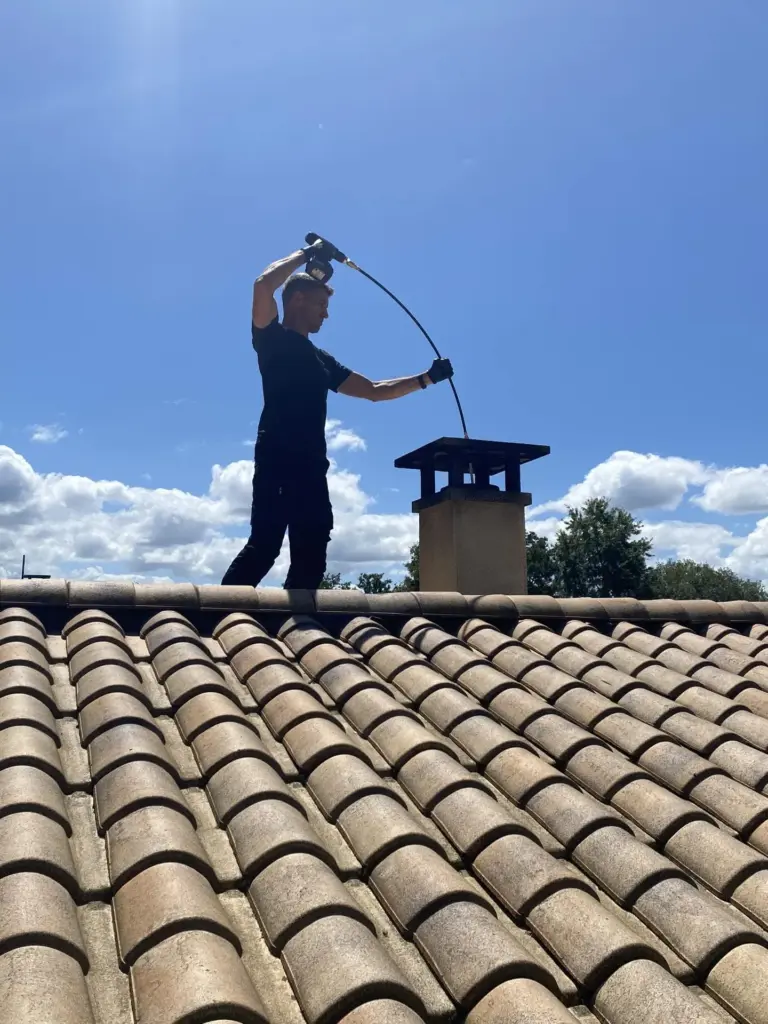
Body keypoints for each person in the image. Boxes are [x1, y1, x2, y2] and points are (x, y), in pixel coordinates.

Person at [221, 239, 454, 590]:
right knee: (264, 548)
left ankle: (300, 622)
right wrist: (307, 253)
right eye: (321, 305)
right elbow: (263, 285)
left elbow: (375, 390)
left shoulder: (322, 360)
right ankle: (216, 616)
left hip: (312, 465)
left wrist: (427, 378)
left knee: (312, 553)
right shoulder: (271, 338)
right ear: (298, 299)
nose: (326, 314)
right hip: (277, 457)